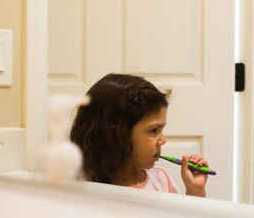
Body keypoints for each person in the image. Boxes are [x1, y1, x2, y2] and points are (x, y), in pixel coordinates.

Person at [70, 73, 209, 197]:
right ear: (115, 133)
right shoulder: (83, 188)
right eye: (153, 130)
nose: (163, 140)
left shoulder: (161, 179)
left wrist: (195, 190)